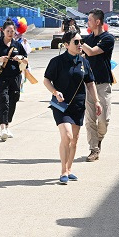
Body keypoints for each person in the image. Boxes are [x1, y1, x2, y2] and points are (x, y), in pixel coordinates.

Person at [44, 31, 102, 184]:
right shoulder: (57, 61)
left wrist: (96, 101)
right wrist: (55, 92)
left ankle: (69, 169)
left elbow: (90, 83)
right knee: (67, 136)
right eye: (76, 42)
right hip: (61, 105)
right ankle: (63, 170)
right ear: (66, 45)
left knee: (74, 140)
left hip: (78, 105)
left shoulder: (84, 62)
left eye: (81, 41)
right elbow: (46, 80)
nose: (80, 44)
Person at [81, 8, 115, 162]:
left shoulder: (108, 39)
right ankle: (93, 149)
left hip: (103, 83)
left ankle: (99, 138)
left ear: (98, 21)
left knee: (103, 119)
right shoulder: (87, 39)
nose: (88, 22)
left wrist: (79, 42)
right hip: (89, 84)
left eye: (89, 19)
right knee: (89, 119)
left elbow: (92, 52)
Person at [0, 19, 28, 141]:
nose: (10, 33)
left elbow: (26, 59)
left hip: (16, 76)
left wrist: (20, 57)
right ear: (3, 31)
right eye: (8, 31)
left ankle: (8, 124)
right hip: (1, 77)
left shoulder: (17, 45)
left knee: (14, 99)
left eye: (12, 31)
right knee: (3, 100)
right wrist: (0, 58)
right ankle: (3, 127)